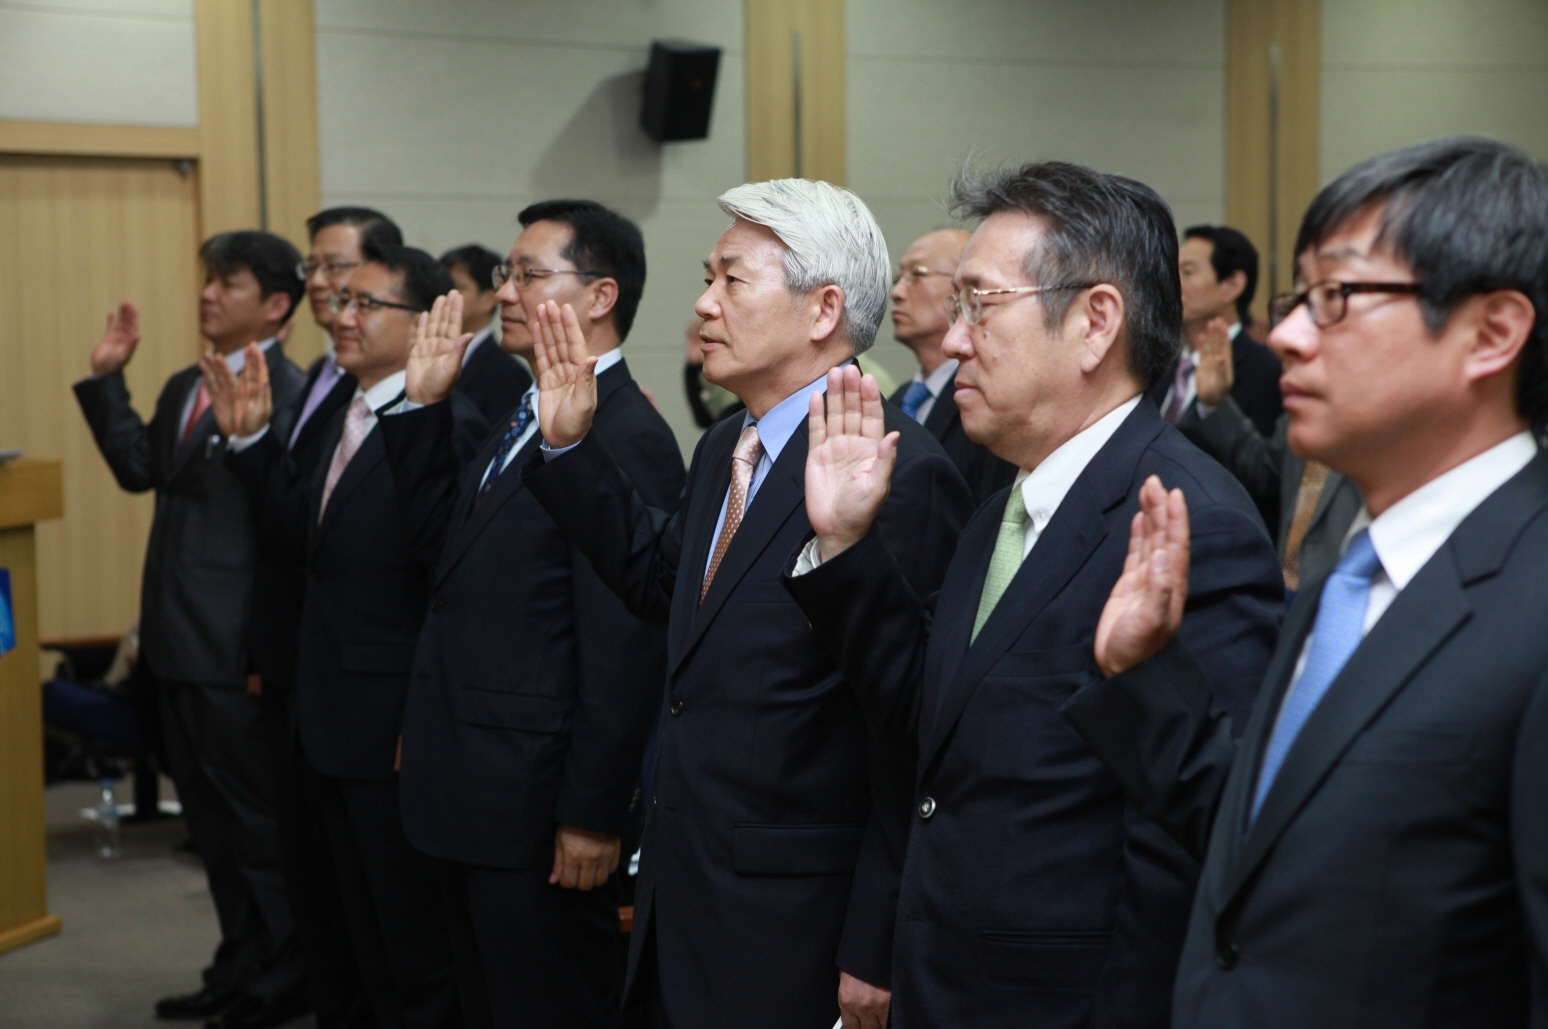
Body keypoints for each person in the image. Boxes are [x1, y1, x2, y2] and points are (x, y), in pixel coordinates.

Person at [782, 162, 1282, 1028]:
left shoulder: (1184, 520)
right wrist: (845, 545)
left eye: (981, 303)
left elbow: (1190, 842)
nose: (954, 338)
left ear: (1094, 323)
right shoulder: (1005, 507)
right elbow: (933, 726)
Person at [1065, 136, 1548, 1028]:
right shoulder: (1349, 576)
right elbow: (1278, 847)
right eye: (1297, 297)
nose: (1284, 334)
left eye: (1337, 297)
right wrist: (1144, 677)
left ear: (1492, 332)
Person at [523, 179, 974, 1029]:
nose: (702, 304)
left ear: (821, 309)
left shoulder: (895, 470)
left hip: (793, 921)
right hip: (684, 886)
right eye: (708, 275)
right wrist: (568, 446)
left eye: (733, 280)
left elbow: (908, 733)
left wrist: (874, 943)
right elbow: (669, 590)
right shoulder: (730, 443)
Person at [378, 201, 684, 1028]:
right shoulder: (525, 408)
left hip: (536, 802)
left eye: (528, 274)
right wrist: (424, 409)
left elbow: (626, 640)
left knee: (545, 1004)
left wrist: (592, 809)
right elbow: (447, 557)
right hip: (474, 780)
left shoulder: (626, 432)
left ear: (599, 296)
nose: (504, 292)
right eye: (507, 275)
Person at [213, 238, 486, 1029]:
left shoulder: (449, 427)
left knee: (409, 947)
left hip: (392, 731)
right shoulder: (345, 407)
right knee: (341, 934)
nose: (342, 314)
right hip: (323, 718)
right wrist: (252, 445)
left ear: (426, 320)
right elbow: (309, 540)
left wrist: (420, 721)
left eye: (368, 304)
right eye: (340, 301)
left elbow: (449, 589)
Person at [73, 231, 309, 1028]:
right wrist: (109, 381)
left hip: (236, 651)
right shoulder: (185, 382)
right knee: (209, 827)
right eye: (208, 280)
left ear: (275, 304)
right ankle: (236, 966)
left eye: (228, 282)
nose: (208, 293)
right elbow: (144, 468)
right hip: (174, 643)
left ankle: (282, 980)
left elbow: (291, 537)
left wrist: (265, 652)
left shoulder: (298, 392)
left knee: (259, 830)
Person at [233, 206, 402, 1029]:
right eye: (316, 269)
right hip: (316, 682)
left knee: (390, 932)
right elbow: (301, 528)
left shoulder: (427, 396)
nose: (324, 286)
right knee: (330, 903)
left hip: (378, 703)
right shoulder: (336, 386)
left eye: (341, 270)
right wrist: (252, 445)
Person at [1186, 314, 1362, 590]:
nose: (1281, 336)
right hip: (1288, 603)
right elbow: (1263, 468)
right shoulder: (1305, 408)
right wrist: (1215, 404)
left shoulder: (1398, 418)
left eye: (1329, 298)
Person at [887, 227, 1016, 503]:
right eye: (899, 277)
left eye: (917, 274)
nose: (896, 292)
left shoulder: (990, 400)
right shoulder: (897, 402)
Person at [1148, 226, 1283, 443]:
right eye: (1172, 272)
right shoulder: (1157, 373)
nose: (1171, 283)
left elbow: (1261, 471)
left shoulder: (1266, 372)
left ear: (1231, 286)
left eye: (1188, 272)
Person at [438, 243, 532, 423]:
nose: (443, 295)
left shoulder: (506, 374)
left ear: (489, 299)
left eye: (455, 287)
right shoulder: (431, 355)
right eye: (440, 286)